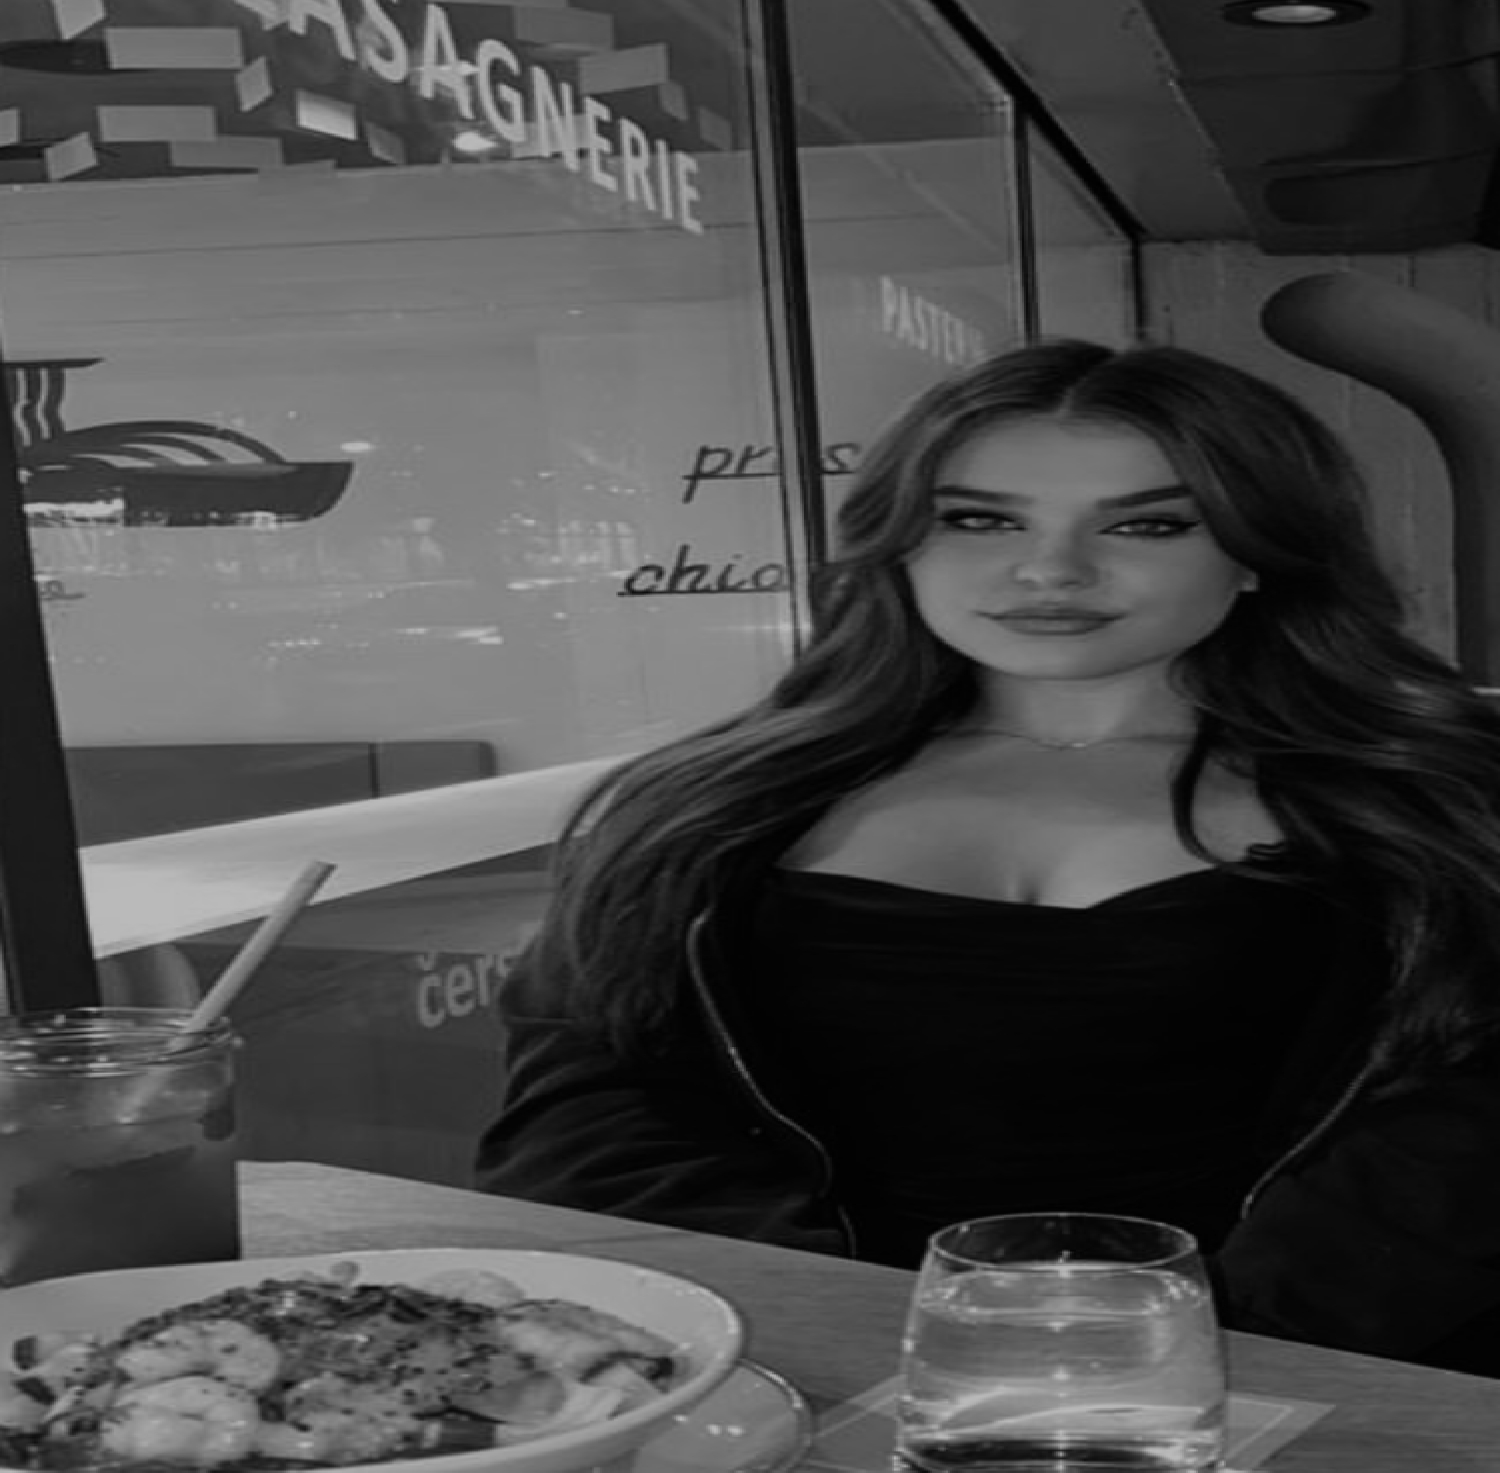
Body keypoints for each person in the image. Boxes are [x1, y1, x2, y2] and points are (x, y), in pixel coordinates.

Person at [476, 339, 1500, 1376]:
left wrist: (1209, 1362)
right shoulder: (700, 810)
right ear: (899, 541)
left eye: (1148, 524)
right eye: (980, 520)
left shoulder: (1445, 800)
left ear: (1257, 551)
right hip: (808, 1386)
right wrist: (821, 1349)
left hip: (1336, 1379)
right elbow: (594, 1113)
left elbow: (1466, 1131)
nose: (1052, 570)